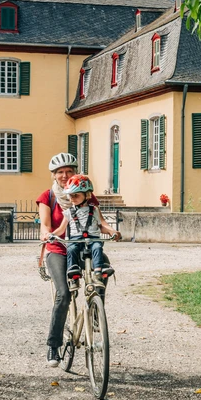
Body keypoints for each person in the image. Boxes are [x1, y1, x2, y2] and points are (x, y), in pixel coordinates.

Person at [37, 153, 80, 368]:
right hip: (58, 248)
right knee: (63, 294)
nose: (65, 175)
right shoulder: (48, 196)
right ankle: (54, 345)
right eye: (60, 172)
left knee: (104, 268)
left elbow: (96, 216)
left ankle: (95, 308)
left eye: (69, 171)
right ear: (54, 175)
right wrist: (46, 233)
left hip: (81, 246)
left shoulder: (84, 192)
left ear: (75, 172)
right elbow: (45, 224)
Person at [49, 173, 120, 288]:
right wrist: (51, 235)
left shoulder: (94, 210)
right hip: (76, 240)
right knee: (71, 249)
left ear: (87, 195)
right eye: (70, 196)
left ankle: (98, 273)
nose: (72, 199)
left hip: (92, 238)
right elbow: (61, 229)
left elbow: (103, 224)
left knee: (97, 247)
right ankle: (73, 276)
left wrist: (112, 231)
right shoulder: (68, 212)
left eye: (75, 195)